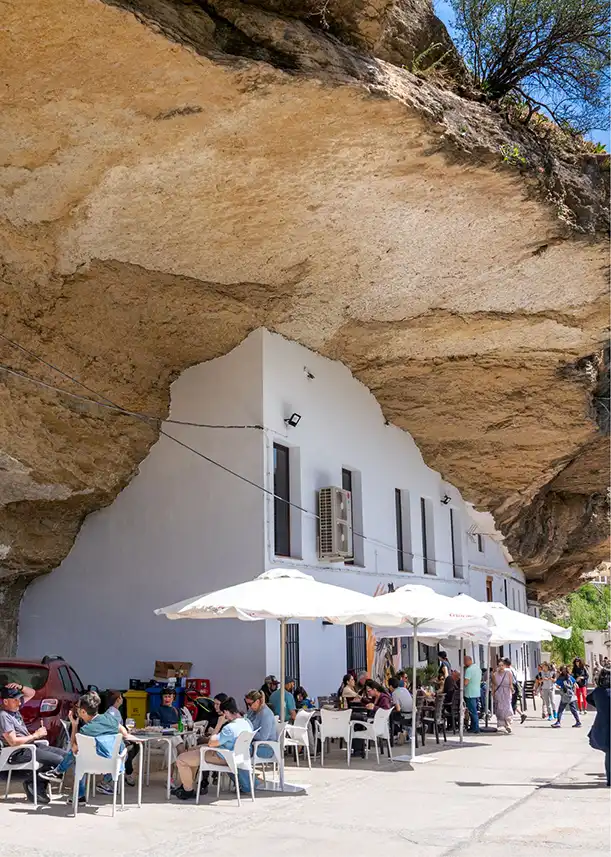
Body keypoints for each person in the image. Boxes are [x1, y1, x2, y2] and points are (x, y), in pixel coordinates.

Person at [46, 690, 129, 803]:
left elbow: (74, 749)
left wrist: (74, 726)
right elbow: (123, 731)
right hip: (114, 764)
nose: (76, 709)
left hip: (92, 765)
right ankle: (59, 772)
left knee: (79, 757)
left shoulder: (86, 730)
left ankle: (61, 774)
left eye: (78, 707)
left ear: (83, 712)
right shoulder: (110, 718)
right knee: (82, 754)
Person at [0, 683, 68, 804]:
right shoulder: (4, 716)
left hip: (30, 746)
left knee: (66, 756)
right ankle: (34, 784)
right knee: (57, 760)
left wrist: (19, 686)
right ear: (5, 701)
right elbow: (13, 741)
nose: (19, 703)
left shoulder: (15, 710)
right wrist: (35, 735)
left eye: (19, 699)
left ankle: (36, 784)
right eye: (15, 700)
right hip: (17, 752)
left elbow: (31, 693)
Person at [175, 697, 252, 800]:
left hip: (222, 756)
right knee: (191, 750)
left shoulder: (230, 728)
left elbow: (211, 743)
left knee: (181, 759)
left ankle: (188, 790)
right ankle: (187, 784)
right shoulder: (246, 723)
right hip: (237, 755)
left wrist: (218, 724)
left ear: (226, 712)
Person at [101, 690, 139, 787]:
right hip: (114, 742)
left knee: (134, 746)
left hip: (112, 740)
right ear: (118, 700)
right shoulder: (113, 713)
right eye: (121, 697)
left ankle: (127, 771)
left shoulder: (111, 711)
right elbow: (117, 729)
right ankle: (127, 772)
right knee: (131, 748)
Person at [587, 668, 610, 787]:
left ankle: (610, 779)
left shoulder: (598, 692)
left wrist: (600, 706)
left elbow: (588, 699)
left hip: (602, 724)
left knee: (609, 753)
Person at [245, 688, 278, 769]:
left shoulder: (266, 714)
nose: (249, 707)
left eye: (250, 704)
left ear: (257, 701)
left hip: (266, 748)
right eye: (247, 704)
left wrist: (249, 733)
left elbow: (263, 737)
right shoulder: (252, 711)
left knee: (239, 752)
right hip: (254, 745)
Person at [492, 659, 514, 733]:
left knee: (507, 708)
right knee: (500, 709)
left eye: (502, 665)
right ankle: (505, 724)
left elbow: (510, 683)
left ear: (504, 665)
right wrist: (493, 693)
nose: (501, 667)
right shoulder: (495, 674)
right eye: (499, 665)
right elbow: (494, 685)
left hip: (507, 692)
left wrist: (512, 689)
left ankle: (508, 723)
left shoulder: (508, 673)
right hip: (499, 692)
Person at [463, 655, 482, 734]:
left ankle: (475, 728)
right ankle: (474, 726)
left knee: (472, 711)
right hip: (476, 692)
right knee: (474, 710)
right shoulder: (478, 668)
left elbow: (466, 682)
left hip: (470, 693)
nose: (464, 663)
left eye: (464, 661)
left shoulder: (469, 670)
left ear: (468, 661)